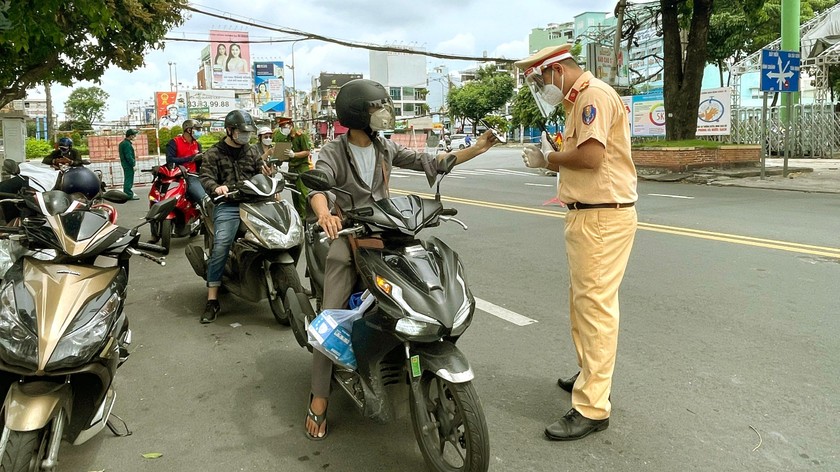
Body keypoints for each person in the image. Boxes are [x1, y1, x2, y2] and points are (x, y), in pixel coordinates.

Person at [304, 78, 499, 440]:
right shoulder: (333, 151)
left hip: (388, 233)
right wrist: (325, 214)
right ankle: (319, 397)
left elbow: (434, 161)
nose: (384, 114)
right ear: (358, 115)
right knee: (329, 320)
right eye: (377, 108)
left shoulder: (385, 147)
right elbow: (319, 186)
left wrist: (478, 148)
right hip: (349, 238)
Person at [517, 44, 638, 441]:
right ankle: (591, 375)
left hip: (601, 216)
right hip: (591, 214)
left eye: (539, 79)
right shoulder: (579, 101)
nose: (539, 87)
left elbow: (590, 158)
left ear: (556, 70)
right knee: (583, 303)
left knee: (595, 310)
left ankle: (592, 407)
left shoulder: (593, 97)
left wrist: (547, 159)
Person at [198, 109, 272, 324]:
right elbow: (205, 177)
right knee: (221, 245)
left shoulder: (251, 151)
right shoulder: (213, 153)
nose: (245, 135)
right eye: (241, 131)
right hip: (228, 205)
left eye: (248, 132)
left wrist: (269, 177)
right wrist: (217, 187)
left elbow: (261, 171)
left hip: (255, 203)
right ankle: (212, 299)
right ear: (229, 131)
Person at [272, 116, 312, 218]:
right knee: (295, 195)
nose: (283, 129)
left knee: (303, 195)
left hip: (302, 168)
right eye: (281, 127)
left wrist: (294, 155)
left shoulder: (301, 136)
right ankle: (299, 218)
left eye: (284, 126)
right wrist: (278, 159)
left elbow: (307, 152)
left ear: (291, 125)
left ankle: (306, 220)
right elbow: (285, 155)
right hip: (292, 169)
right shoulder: (286, 138)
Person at [119, 129, 140, 200]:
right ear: (130, 136)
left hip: (125, 164)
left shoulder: (123, 143)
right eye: (134, 135)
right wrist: (133, 164)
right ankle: (128, 194)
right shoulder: (126, 144)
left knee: (127, 179)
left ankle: (127, 193)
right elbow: (128, 156)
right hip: (128, 165)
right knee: (129, 179)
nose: (135, 136)